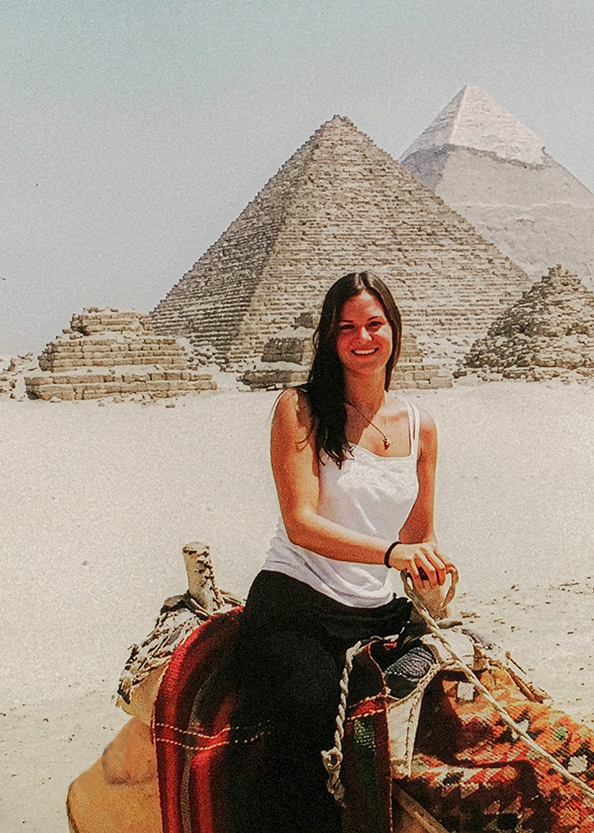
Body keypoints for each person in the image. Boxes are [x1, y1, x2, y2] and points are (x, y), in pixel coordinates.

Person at [225, 271, 455, 832]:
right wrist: (394, 555)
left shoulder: (422, 429)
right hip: (299, 603)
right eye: (347, 326)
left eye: (375, 323)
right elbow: (301, 523)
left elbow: (417, 538)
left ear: (393, 330)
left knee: (466, 691)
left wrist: (431, 574)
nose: (363, 337)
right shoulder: (299, 408)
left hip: (379, 611)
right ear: (329, 337)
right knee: (312, 728)